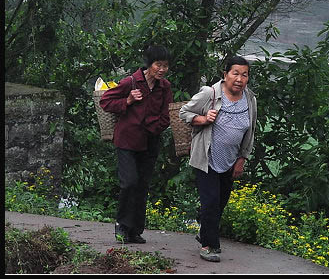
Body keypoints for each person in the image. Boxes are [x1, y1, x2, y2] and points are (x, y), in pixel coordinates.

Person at [179, 56, 258, 263]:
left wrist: (242, 158)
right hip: (207, 158)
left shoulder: (250, 99)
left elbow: (251, 131)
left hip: (230, 160)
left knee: (220, 202)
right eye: (235, 73)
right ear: (225, 75)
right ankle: (209, 245)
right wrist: (203, 119)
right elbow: (183, 112)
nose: (240, 79)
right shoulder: (210, 93)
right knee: (211, 202)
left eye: (244, 74)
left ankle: (205, 229)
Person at [99, 46, 172, 245]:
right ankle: (121, 225)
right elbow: (105, 101)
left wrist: (155, 127)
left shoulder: (164, 87)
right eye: (158, 65)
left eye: (165, 66)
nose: (162, 69)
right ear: (149, 65)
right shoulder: (131, 82)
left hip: (150, 142)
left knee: (142, 186)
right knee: (129, 182)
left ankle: (135, 230)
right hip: (128, 141)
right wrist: (128, 100)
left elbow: (166, 115)